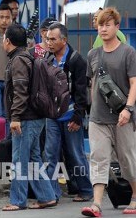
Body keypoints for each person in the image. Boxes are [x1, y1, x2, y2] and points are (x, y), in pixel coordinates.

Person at [81, 7, 136, 217]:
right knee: (98, 157)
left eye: (107, 25)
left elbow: (134, 83)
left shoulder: (128, 53)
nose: (103, 29)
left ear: (117, 27)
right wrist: (92, 108)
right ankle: (96, 204)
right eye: (100, 25)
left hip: (124, 117)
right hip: (98, 118)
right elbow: (94, 83)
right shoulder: (93, 54)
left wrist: (128, 109)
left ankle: (135, 196)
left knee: (127, 159)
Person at [1, 24, 56, 211]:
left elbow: (20, 92)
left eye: (3, 38)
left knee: (19, 160)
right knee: (33, 158)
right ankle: (47, 196)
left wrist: (15, 117)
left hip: (25, 118)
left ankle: (17, 200)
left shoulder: (18, 61)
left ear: (8, 41)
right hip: (35, 116)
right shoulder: (28, 57)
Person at [42, 23, 93, 203]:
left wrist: (78, 116)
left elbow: (81, 92)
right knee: (50, 155)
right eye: (47, 38)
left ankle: (86, 190)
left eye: (53, 39)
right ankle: (51, 194)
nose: (49, 42)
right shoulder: (47, 59)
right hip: (52, 117)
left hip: (71, 117)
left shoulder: (77, 60)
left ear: (64, 40)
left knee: (75, 154)